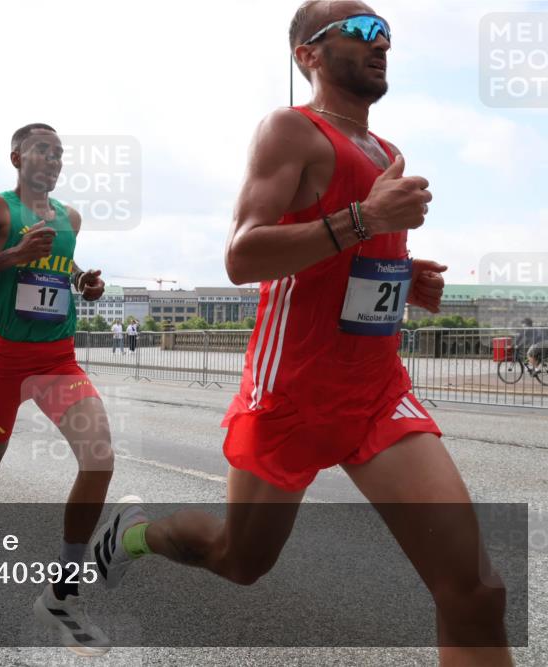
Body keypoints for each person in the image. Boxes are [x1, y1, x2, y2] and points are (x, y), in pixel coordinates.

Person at [91, 4, 511, 665]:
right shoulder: (291, 131)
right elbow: (242, 255)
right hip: (292, 392)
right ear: (308, 55)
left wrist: (402, 276)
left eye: (388, 34)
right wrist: (364, 220)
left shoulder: (388, 153)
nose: (382, 43)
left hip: (376, 393)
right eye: (363, 31)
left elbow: (349, 266)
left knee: (477, 590)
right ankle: (134, 535)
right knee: (239, 558)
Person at [0, 123, 114, 655]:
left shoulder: (69, 219)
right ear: (17, 156)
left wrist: (85, 283)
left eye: (60, 154)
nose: (53, 160)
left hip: (57, 360)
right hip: (6, 359)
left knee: (98, 458)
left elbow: (61, 266)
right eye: (43, 150)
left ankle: (64, 588)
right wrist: (12, 256)